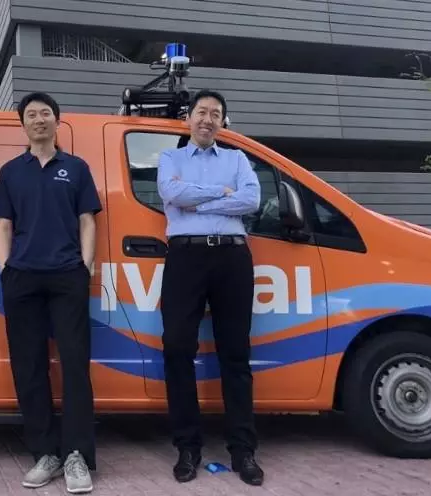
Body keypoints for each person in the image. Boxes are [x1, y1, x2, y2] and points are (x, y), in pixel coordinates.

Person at [0, 92, 101, 494]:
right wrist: (5, 269)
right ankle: (45, 453)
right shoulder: (10, 172)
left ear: (57, 120)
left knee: (74, 364)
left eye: (45, 113)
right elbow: (3, 225)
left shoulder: (76, 168)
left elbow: (87, 220)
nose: (39, 119)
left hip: (67, 276)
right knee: (29, 366)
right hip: (22, 278)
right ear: (22, 123)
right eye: (31, 114)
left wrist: (84, 266)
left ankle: (76, 455)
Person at [156, 89, 265, 486]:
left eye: (215, 113)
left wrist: (196, 203)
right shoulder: (170, 158)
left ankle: (243, 450)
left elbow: (251, 200)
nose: (207, 119)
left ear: (222, 122)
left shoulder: (237, 159)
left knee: (235, 353)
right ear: (189, 118)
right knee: (177, 348)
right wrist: (222, 193)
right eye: (201, 112)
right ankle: (187, 447)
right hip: (185, 257)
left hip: (232, 258)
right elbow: (172, 193)